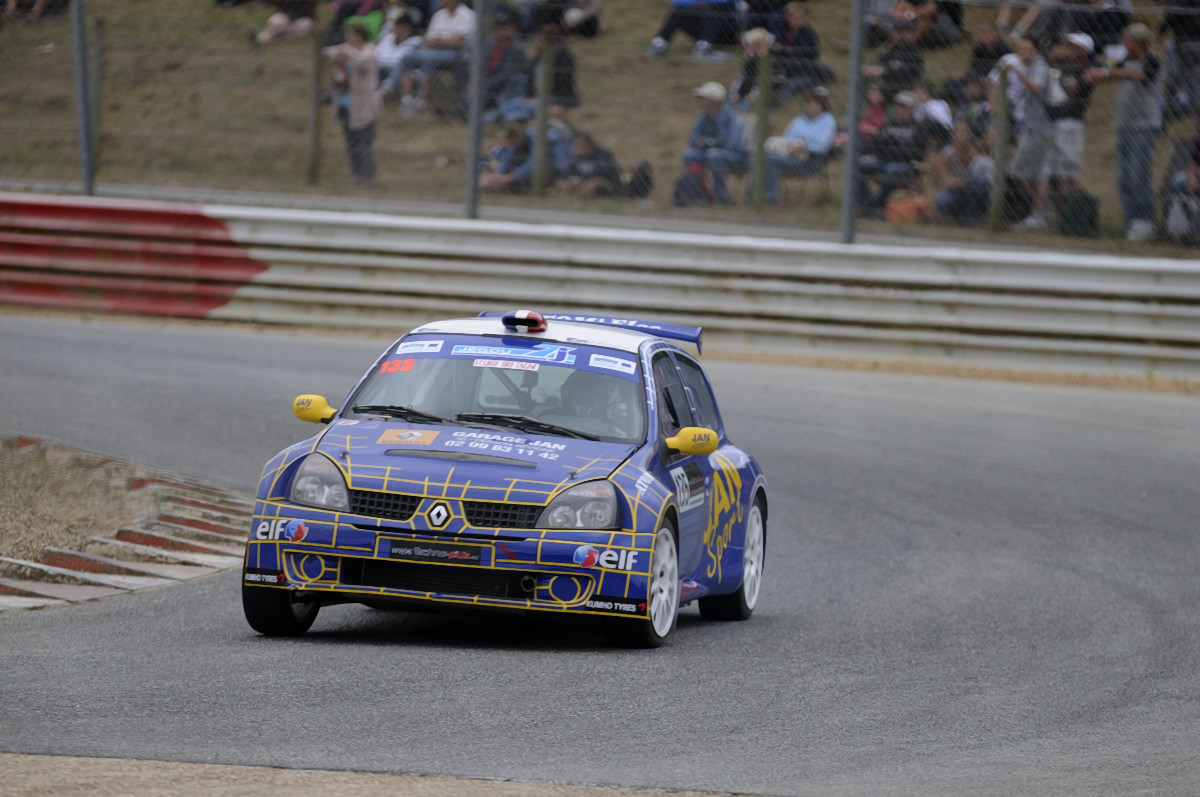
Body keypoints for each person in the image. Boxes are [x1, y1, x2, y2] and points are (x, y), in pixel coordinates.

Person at [1087, 22, 1162, 241]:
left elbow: (1139, 76)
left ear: (1137, 43)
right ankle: (1130, 221)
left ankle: (1145, 222)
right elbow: (1110, 72)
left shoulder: (1152, 60)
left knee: (1138, 175)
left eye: (1127, 42)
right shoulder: (1125, 59)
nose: (1124, 46)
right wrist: (1099, 72)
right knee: (1124, 178)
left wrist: (1108, 71)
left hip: (1143, 126)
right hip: (1124, 125)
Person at [1001, 35, 1054, 230]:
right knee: (1020, 172)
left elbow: (1037, 88)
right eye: (1020, 49)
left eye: (1026, 49)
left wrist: (1017, 71)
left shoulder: (1040, 67)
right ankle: (1041, 210)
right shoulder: (1030, 67)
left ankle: (1039, 214)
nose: (1022, 53)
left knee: (1033, 173)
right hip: (1030, 126)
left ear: (1036, 51)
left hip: (1040, 128)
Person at [1043, 32, 1097, 214]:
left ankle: (1078, 211)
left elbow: (1076, 90)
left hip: (1071, 123)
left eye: (1074, 47)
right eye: (1068, 46)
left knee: (1070, 171)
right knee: (1056, 171)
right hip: (1054, 123)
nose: (1069, 49)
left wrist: (1074, 82)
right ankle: (1060, 212)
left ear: (1084, 51)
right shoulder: (1064, 69)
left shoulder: (1087, 71)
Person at [323, 24, 380, 186]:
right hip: (345, 104)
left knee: (364, 142)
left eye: (351, 35)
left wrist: (346, 54)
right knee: (350, 142)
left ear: (359, 37)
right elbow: (327, 52)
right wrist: (341, 53)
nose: (348, 38)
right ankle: (357, 175)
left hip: (364, 106)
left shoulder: (369, 53)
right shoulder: (345, 50)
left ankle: (367, 176)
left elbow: (361, 62)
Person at [856, 89, 928, 216]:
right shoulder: (888, 125)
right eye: (899, 105)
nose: (901, 109)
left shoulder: (918, 128)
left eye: (905, 106)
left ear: (912, 109)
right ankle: (868, 204)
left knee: (892, 170)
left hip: (907, 165)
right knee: (858, 165)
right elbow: (877, 144)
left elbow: (915, 153)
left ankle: (878, 205)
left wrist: (893, 146)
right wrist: (890, 146)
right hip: (884, 160)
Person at [396, 0, 475, 114]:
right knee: (408, 57)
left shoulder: (468, 15)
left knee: (431, 58)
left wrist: (440, 41)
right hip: (435, 51)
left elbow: (459, 43)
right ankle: (407, 99)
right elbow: (429, 40)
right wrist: (446, 41)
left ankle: (421, 100)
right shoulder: (438, 15)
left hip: (458, 55)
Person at [761, 87, 837, 205]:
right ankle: (752, 197)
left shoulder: (828, 121)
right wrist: (789, 147)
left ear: (822, 105)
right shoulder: (799, 120)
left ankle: (771, 199)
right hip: (789, 156)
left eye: (814, 103)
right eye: (808, 102)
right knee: (761, 157)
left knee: (770, 160)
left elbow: (823, 146)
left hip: (810, 161)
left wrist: (804, 147)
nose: (810, 106)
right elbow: (786, 138)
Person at [681, 81, 749, 205]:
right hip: (709, 153)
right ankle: (697, 193)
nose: (700, 101)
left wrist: (707, 142)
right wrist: (709, 143)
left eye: (704, 98)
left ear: (714, 101)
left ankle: (720, 197)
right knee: (689, 154)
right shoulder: (702, 117)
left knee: (714, 154)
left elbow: (731, 144)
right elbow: (694, 139)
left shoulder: (730, 117)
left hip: (735, 157)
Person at [931, 120, 993, 224]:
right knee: (943, 201)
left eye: (967, 132)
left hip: (972, 189)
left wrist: (966, 181)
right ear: (954, 135)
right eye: (960, 132)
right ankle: (957, 218)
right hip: (956, 190)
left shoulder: (976, 153)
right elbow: (942, 174)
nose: (964, 135)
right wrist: (950, 180)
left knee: (980, 179)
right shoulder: (948, 153)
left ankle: (970, 218)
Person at [643, 0, 740, 63]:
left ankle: (704, 49)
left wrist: (705, 3)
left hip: (725, 33)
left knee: (713, 9)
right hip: (702, 30)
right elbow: (677, 2)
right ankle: (659, 44)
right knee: (678, 10)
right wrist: (695, 3)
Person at [555, 132, 623, 197]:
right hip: (582, 181)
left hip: (604, 182)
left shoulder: (602, 154)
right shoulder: (578, 157)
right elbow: (569, 169)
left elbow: (605, 171)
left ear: (586, 146)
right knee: (561, 183)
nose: (574, 148)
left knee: (592, 185)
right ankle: (576, 193)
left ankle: (578, 195)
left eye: (577, 146)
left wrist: (583, 178)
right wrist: (572, 177)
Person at [376, 14, 424, 98]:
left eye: (399, 26)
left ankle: (386, 89)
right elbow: (377, 54)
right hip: (383, 69)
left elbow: (405, 61)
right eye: (396, 25)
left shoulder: (416, 41)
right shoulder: (388, 38)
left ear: (407, 27)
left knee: (401, 65)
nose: (395, 28)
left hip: (405, 74)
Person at [250, 0, 318, 48]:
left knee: (305, 27)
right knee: (276, 22)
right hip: (284, 15)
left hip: (304, 17)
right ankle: (258, 40)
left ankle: (264, 38)